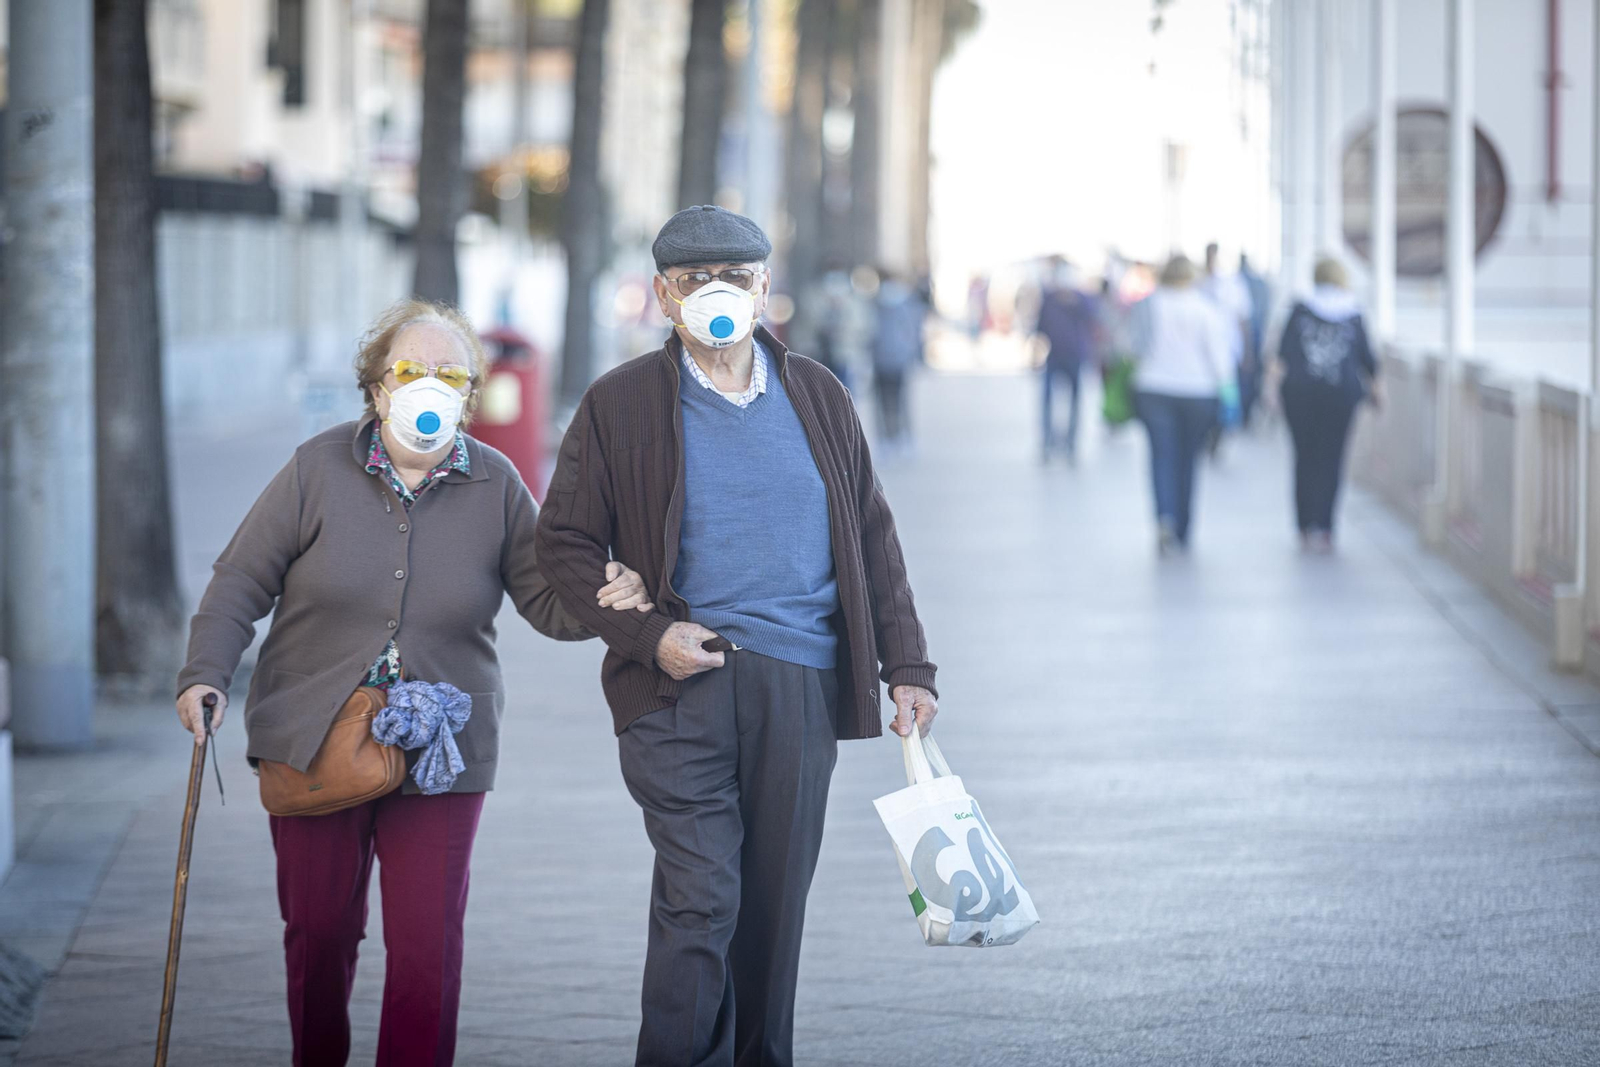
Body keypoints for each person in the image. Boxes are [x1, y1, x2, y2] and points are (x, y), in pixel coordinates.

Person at [173, 298, 652, 1067]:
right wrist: (205, 673)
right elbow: (240, 580)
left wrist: (609, 593)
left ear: (470, 394)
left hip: (443, 745)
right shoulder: (316, 467)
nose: (430, 384)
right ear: (376, 386)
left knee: (428, 947)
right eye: (409, 369)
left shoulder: (496, 481)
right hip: (312, 734)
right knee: (320, 932)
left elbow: (546, 601)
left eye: (450, 373)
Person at [535, 205, 939, 1067]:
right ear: (663, 295)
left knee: (772, 912)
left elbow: (873, 533)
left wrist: (907, 664)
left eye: (735, 278)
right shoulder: (620, 402)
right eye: (694, 281)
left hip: (799, 686)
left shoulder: (819, 394)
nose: (715, 294)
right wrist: (648, 632)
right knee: (701, 901)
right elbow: (563, 541)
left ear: (763, 289)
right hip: (677, 688)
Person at [1130, 255, 1234, 554]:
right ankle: (1184, 527)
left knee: (1161, 457)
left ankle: (1165, 517)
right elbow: (1220, 357)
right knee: (1189, 460)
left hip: (1153, 388)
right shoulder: (1205, 308)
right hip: (1198, 392)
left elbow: (1130, 347)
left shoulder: (1148, 305)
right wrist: (1229, 394)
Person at [1274, 256, 1380, 552]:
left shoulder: (1300, 309)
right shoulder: (1353, 313)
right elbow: (1368, 360)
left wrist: (1271, 391)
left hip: (1300, 394)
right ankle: (1325, 525)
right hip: (1340, 395)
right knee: (1332, 458)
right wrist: (1378, 392)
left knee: (1304, 457)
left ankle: (1304, 524)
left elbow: (1282, 355)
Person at [1032, 257, 1101, 463]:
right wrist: (1034, 354)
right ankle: (1047, 441)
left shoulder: (1081, 299)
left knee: (1075, 401)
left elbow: (1093, 322)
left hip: (1075, 355)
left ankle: (1071, 442)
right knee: (1047, 400)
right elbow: (1040, 328)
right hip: (1054, 356)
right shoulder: (1049, 298)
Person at [870, 269, 928, 454]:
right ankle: (886, 438)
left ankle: (903, 436)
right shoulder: (875, 304)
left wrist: (913, 355)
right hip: (881, 360)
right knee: (883, 401)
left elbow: (913, 332)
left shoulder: (907, 304)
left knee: (900, 400)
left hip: (898, 360)